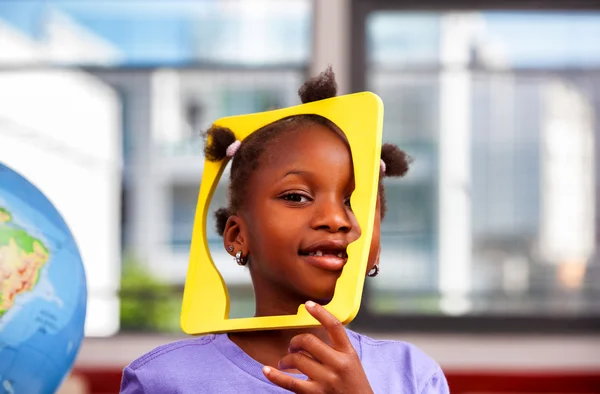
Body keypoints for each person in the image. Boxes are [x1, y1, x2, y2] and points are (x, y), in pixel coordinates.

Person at [120, 67, 449, 394]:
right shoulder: (162, 380)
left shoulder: (414, 376)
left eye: (353, 201)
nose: (336, 219)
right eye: (296, 197)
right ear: (238, 237)